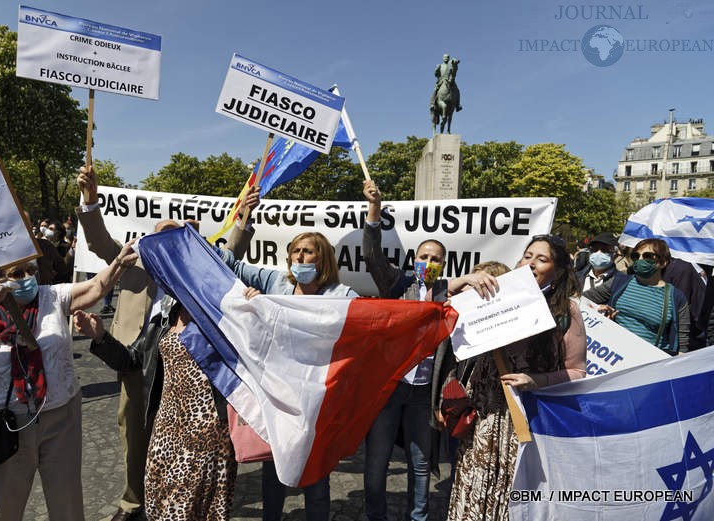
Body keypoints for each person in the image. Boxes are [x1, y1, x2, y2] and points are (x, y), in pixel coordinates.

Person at [75, 165, 257, 521]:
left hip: (186, 377)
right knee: (134, 433)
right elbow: (98, 241)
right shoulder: (132, 261)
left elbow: (229, 251)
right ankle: (132, 501)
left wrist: (244, 219)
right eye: (160, 236)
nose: (166, 244)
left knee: (173, 439)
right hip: (134, 358)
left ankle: (174, 497)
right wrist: (90, 199)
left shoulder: (195, 276)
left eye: (175, 238)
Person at [0, 242, 138, 521]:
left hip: (60, 416)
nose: (27, 278)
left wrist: (118, 263)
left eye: (30, 269)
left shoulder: (51, 297)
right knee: (4, 511)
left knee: (67, 504)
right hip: (3, 425)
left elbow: (94, 288)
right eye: (17, 273)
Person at [361, 180, 495, 521]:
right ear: (414, 259)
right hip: (390, 392)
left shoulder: (451, 298)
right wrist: (374, 209)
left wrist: (468, 281)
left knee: (421, 464)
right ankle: (375, 516)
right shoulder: (399, 285)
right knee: (376, 463)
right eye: (424, 257)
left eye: (436, 259)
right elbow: (372, 255)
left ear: (444, 264)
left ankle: (417, 518)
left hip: (424, 396)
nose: (429, 262)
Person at [73, 273, 236, 521]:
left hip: (208, 429)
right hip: (166, 427)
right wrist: (100, 337)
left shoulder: (219, 312)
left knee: (187, 509)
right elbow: (132, 360)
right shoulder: (164, 315)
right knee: (158, 502)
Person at [218, 231, 357, 521]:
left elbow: (372, 316)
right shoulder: (276, 283)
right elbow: (229, 263)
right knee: (275, 469)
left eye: (307, 252)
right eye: (295, 251)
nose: (299, 257)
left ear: (323, 259)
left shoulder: (340, 296)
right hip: (279, 396)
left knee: (316, 472)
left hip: (317, 399)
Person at [446, 234, 586, 521]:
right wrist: (462, 282)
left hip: (526, 419)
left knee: (512, 491)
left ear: (558, 272)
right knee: (475, 484)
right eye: (527, 256)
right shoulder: (493, 294)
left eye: (542, 259)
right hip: (483, 417)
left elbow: (577, 371)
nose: (531, 263)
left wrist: (536, 381)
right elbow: (429, 302)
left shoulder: (565, 312)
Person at [584, 238, 690, 355]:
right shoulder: (619, 282)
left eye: (647, 256)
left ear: (663, 262)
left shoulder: (676, 297)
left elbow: (682, 347)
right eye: (636, 256)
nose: (640, 260)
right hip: (610, 355)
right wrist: (596, 310)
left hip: (647, 363)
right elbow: (581, 300)